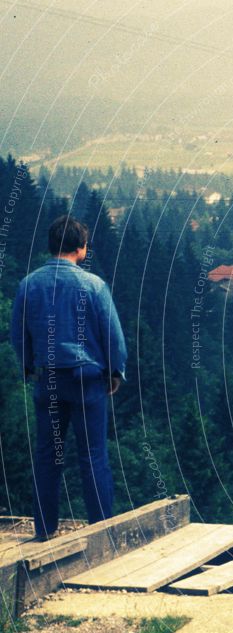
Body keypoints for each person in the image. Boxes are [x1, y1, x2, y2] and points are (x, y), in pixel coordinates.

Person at [11, 216, 127, 540]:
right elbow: (112, 336)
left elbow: (18, 334)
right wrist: (115, 371)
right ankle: (103, 533)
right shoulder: (94, 286)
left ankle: (44, 532)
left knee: (48, 455)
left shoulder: (28, 285)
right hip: (87, 380)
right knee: (93, 456)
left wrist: (28, 367)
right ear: (81, 248)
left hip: (47, 378)